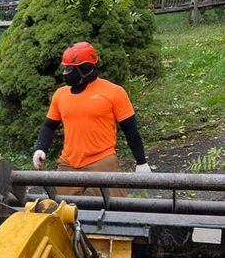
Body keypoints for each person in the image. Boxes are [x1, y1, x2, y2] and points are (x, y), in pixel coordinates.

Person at [32, 42, 151, 197]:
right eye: (65, 68)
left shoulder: (114, 92)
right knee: (59, 211)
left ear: (86, 69)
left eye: (70, 68)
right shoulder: (60, 95)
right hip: (68, 163)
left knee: (117, 210)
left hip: (102, 160)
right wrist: (40, 148)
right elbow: (49, 126)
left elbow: (130, 129)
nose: (65, 73)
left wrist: (141, 161)